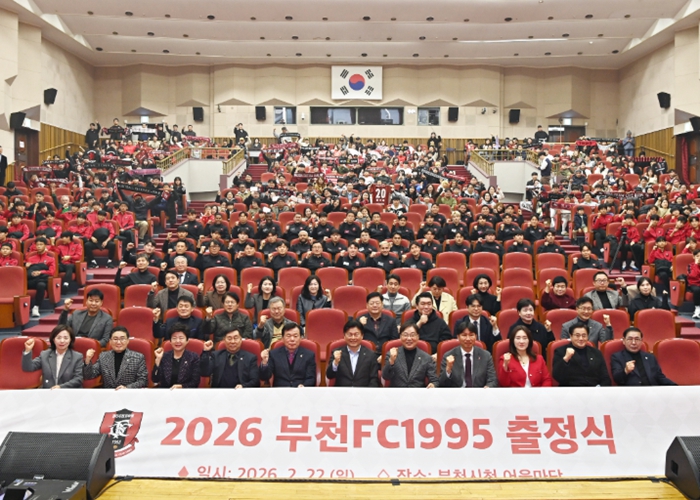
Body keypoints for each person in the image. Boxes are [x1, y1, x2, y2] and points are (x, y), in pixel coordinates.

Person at [83, 326, 148, 389]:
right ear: (110, 341)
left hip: (129, 394)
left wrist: (127, 388)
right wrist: (87, 360)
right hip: (109, 394)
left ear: (128, 341)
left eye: (122, 339)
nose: (118, 342)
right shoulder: (103, 356)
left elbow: (143, 381)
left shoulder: (138, 357)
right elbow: (89, 375)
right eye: (115, 339)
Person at [611, 327, 677, 386]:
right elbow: (617, 379)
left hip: (652, 391)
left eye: (637, 339)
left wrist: (676, 387)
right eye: (630, 339)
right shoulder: (617, 357)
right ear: (624, 341)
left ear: (641, 341)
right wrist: (626, 371)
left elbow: (659, 377)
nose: (633, 342)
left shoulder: (650, 357)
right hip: (631, 393)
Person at [439, 321, 497, 388]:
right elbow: (442, 383)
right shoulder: (448, 356)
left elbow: (492, 380)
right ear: (458, 337)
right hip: (457, 393)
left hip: (478, 393)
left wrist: (488, 387)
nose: (468, 339)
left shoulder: (486, 356)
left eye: (471, 335)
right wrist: (448, 369)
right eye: (464, 335)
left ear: (476, 336)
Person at [382, 322, 438, 388]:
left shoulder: (426, 357)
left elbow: (434, 380)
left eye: (412, 335)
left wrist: (433, 384)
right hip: (397, 392)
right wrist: (391, 361)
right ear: (400, 337)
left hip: (417, 392)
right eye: (405, 335)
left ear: (418, 337)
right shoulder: (392, 354)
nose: (409, 338)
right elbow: (386, 377)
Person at [326, 319, 381, 387]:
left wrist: (368, 393)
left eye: (356, 334)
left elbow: (374, 379)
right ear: (344, 336)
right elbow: (329, 375)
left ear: (362, 336)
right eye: (350, 334)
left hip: (362, 392)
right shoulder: (337, 353)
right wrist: (335, 363)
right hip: (342, 392)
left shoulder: (371, 355)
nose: (353, 338)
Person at [259, 323, 317, 387]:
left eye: (295, 336)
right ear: (282, 338)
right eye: (288, 336)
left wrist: (304, 386)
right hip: (280, 391)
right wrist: (264, 362)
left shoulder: (309, 355)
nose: (292, 339)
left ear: (301, 338)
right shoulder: (274, 354)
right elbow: (264, 377)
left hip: (300, 390)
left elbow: (311, 378)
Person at [152, 323, 201, 389]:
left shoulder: (193, 357)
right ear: (170, 341)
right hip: (166, 392)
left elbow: (195, 382)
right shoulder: (164, 356)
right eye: (174, 338)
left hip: (185, 392)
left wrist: (182, 386)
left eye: (181, 338)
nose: (177, 341)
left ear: (187, 341)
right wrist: (158, 361)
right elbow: (155, 379)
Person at [357, 292, 397, 356]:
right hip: (365, 355)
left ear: (382, 304)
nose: (375, 305)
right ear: (367, 305)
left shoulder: (391, 321)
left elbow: (394, 341)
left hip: (385, 355)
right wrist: (359, 325)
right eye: (372, 303)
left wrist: (386, 355)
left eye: (377, 303)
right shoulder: (359, 320)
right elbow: (355, 339)